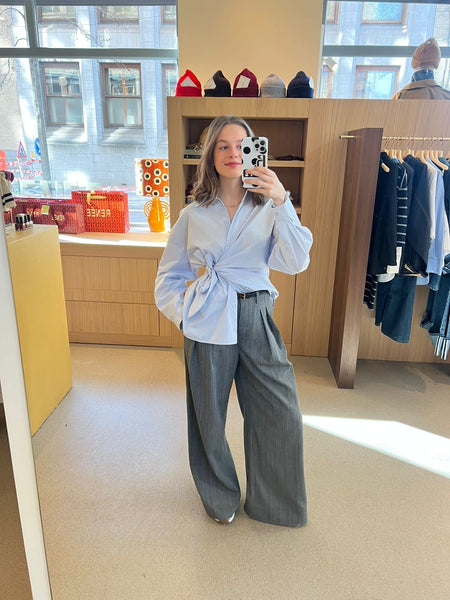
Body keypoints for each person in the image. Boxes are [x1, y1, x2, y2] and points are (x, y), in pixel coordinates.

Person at [155, 115, 313, 527]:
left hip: (256, 312)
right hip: (209, 317)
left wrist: (282, 200)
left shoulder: (269, 207)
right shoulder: (193, 214)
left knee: (280, 412)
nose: (232, 153)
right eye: (222, 145)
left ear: (254, 151)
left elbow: (296, 261)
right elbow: (168, 277)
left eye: (241, 145)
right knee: (208, 414)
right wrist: (185, 315)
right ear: (210, 155)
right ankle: (219, 495)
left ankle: (275, 504)